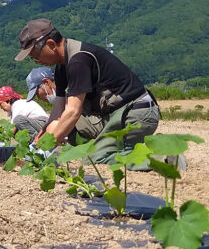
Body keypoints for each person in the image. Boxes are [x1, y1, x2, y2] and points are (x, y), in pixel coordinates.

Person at [15, 18, 160, 169]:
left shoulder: (78, 60)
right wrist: (37, 142)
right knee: (68, 127)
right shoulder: (61, 68)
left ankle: (163, 157)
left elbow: (73, 112)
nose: (36, 61)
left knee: (97, 158)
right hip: (110, 116)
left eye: (35, 55)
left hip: (135, 113)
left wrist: (45, 151)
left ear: (51, 45)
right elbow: (57, 114)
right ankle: (108, 146)